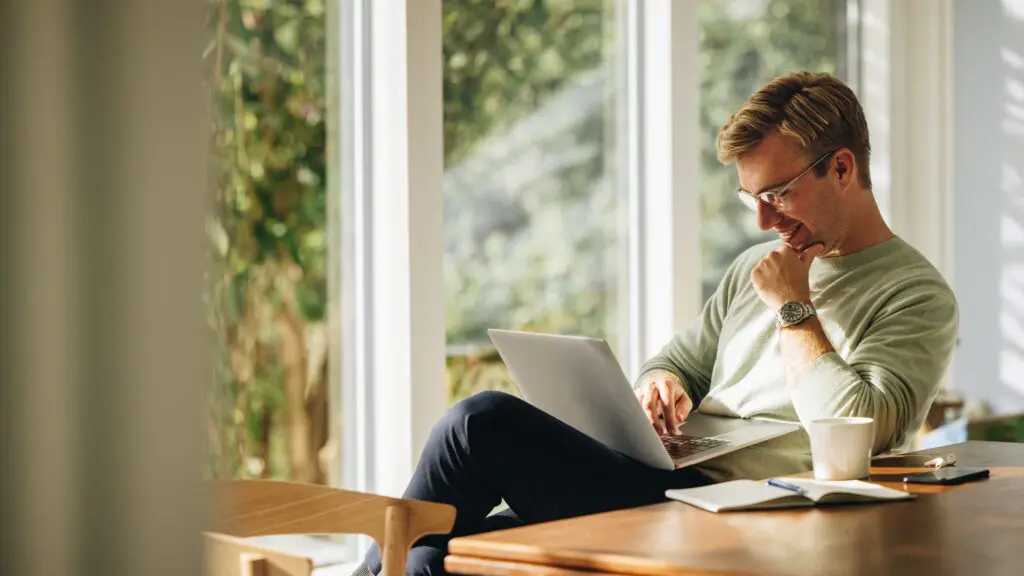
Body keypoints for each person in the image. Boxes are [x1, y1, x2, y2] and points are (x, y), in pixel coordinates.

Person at [353, 71, 959, 576]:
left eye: (778, 194)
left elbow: (865, 429)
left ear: (842, 168)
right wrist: (659, 385)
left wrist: (793, 308)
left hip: (743, 511)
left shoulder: (917, 295)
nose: (763, 223)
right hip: (661, 479)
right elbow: (678, 362)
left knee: (478, 422)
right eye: (753, 200)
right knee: (431, 557)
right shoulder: (755, 266)